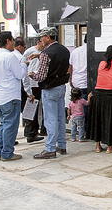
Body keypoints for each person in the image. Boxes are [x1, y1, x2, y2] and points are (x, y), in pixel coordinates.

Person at [30, 27, 70, 159]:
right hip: (61, 87)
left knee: (50, 119)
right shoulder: (64, 50)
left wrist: (31, 74)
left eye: (42, 37)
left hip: (49, 88)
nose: (40, 40)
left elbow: (41, 76)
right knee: (60, 118)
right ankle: (62, 145)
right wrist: (39, 56)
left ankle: (50, 148)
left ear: (48, 37)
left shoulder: (46, 53)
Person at [0, 31, 27, 161]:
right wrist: (24, 64)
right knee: (10, 126)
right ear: (7, 41)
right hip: (10, 96)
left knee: (3, 125)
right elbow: (20, 75)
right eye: (12, 40)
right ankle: (7, 152)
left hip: (0, 95)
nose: (13, 43)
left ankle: (0, 150)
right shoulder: (10, 57)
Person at [22, 37, 46, 142]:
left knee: (43, 107)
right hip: (32, 84)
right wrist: (27, 88)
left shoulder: (45, 52)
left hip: (41, 82)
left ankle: (41, 130)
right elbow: (23, 66)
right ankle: (30, 133)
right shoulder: (30, 51)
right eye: (42, 43)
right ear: (38, 42)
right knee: (32, 108)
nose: (44, 45)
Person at [69, 34, 88, 137]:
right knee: (84, 107)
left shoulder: (75, 51)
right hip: (85, 82)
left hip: (76, 81)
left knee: (75, 106)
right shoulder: (90, 51)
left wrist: (71, 79)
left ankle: (75, 130)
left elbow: (70, 67)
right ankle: (84, 131)